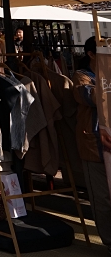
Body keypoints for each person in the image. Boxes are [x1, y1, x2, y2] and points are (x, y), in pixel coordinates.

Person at [73, 36, 111, 250]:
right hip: (94, 144)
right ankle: (109, 241)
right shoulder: (82, 76)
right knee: (102, 199)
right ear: (91, 54)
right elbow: (92, 99)